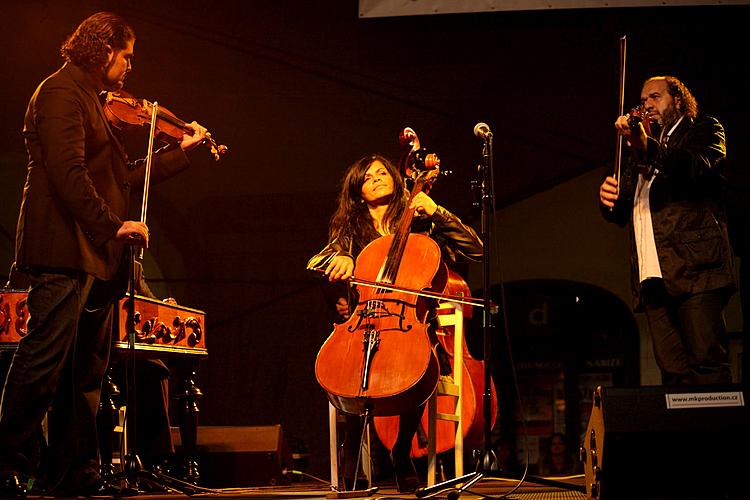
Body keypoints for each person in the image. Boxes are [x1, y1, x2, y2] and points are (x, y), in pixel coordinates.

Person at [0, 12, 207, 497]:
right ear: (103, 49)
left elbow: (119, 181)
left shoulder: (91, 101)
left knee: (83, 372)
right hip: (62, 247)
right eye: (127, 54)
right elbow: (68, 176)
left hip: (94, 253)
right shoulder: (59, 93)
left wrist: (181, 151)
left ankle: (75, 471)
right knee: (43, 360)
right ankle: (7, 461)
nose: (130, 65)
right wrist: (115, 226)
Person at [307, 154, 482, 492]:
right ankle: (351, 456)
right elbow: (317, 261)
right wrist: (341, 255)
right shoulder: (350, 227)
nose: (376, 179)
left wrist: (437, 212)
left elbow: (474, 248)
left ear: (398, 180)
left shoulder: (420, 220)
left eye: (382, 173)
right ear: (359, 194)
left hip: (412, 323)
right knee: (355, 369)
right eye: (367, 178)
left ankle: (402, 451)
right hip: (366, 321)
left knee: (418, 363)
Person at [599, 75, 735, 386]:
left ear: (677, 100)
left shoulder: (703, 129)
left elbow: (696, 167)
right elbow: (622, 212)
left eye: (655, 97)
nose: (647, 104)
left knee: (707, 365)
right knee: (673, 375)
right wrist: (607, 199)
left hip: (696, 269)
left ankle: (717, 432)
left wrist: (647, 146)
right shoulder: (636, 149)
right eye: (643, 100)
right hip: (652, 275)